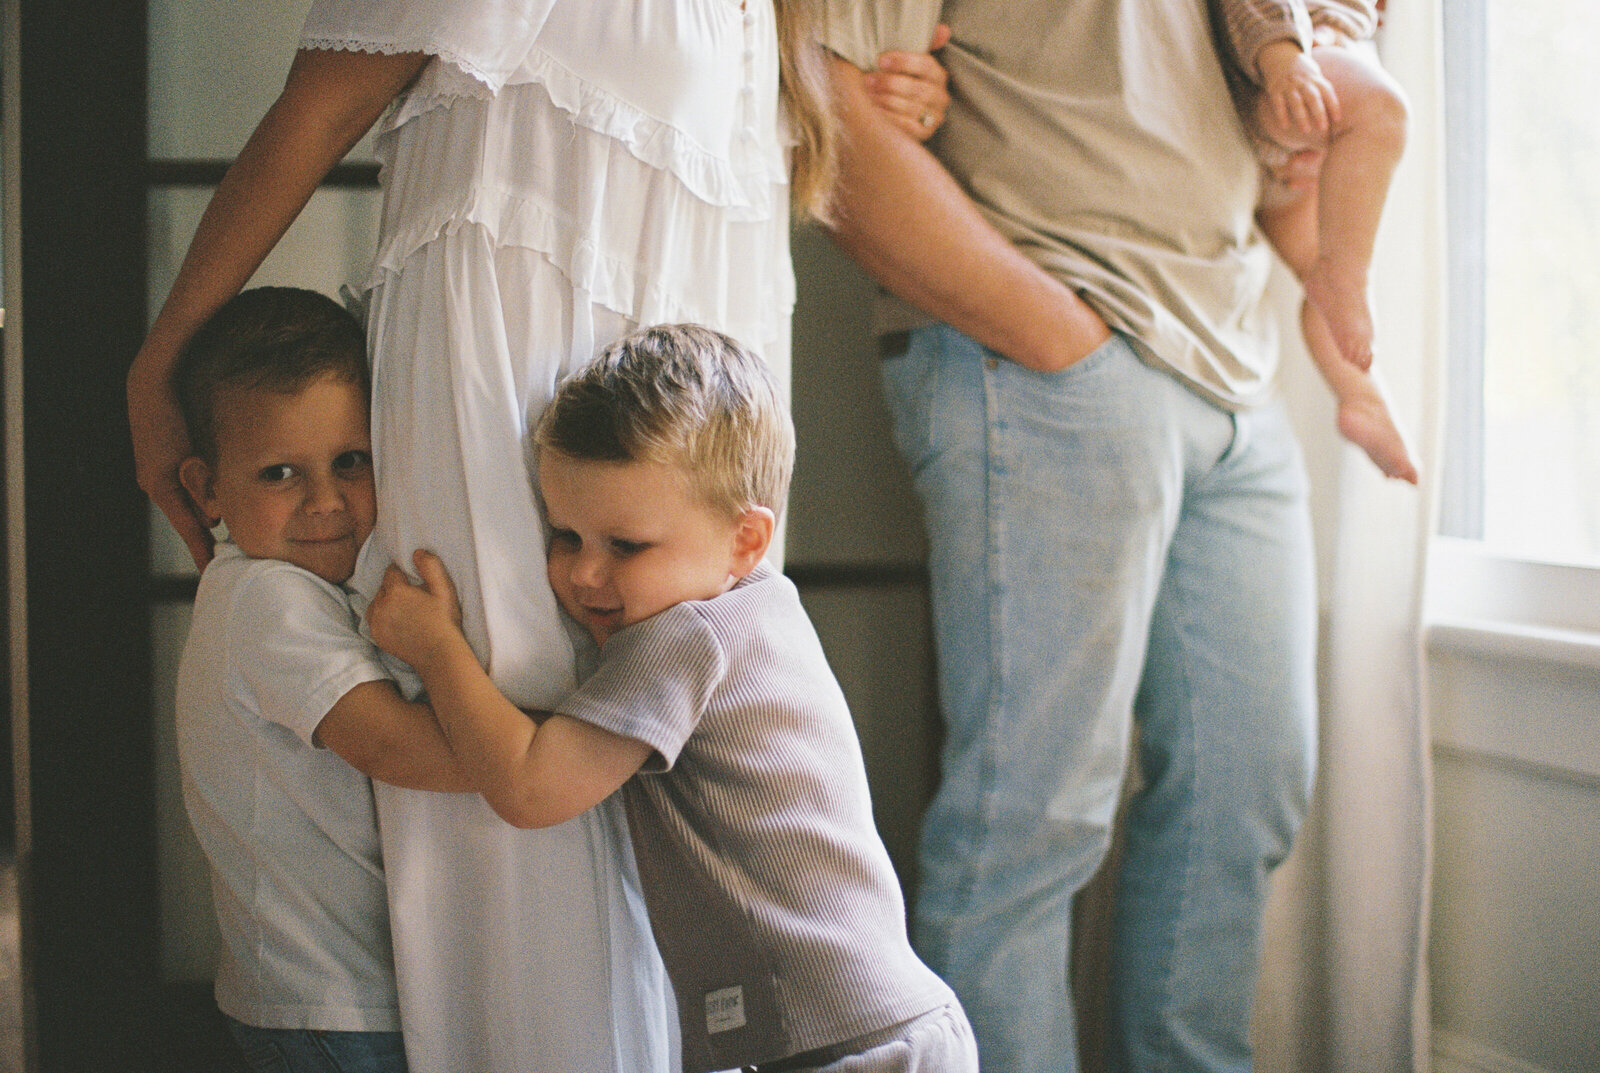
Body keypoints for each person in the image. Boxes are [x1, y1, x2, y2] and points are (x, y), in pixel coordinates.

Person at [126, 4, 954, 1069]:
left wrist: (888, 94)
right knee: (534, 865)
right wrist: (165, 360)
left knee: (646, 784)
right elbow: (326, 96)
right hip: (516, 328)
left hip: (684, 379)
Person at [821, 3, 1320, 1072]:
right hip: (1061, 347)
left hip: (1232, 361)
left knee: (1250, 786)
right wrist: (1061, 337)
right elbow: (826, 106)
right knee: (1027, 827)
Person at [365, 324, 978, 1073]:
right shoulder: (758, 611)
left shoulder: (685, 637)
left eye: (625, 546)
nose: (586, 573)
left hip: (847, 1046)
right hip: (871, 1028)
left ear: (745, 542)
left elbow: (530, 783)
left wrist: (436, 647)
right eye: (565, 535)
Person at [170, 287, 474, 1072]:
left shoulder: (286, 587)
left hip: (318, 996)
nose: (326, 501)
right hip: (329, 1005)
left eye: (350, 461)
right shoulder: (265, 598)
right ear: (207, 490)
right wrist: (558, 746)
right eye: (279, 473)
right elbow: (396, 747)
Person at [1215, 0, 1417, 483]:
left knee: (1318, 275)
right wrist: (1283, 60)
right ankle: (1346, 280)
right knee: (1384, 112)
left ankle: (1361, 395)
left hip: (1297, 92)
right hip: (1283, 74)